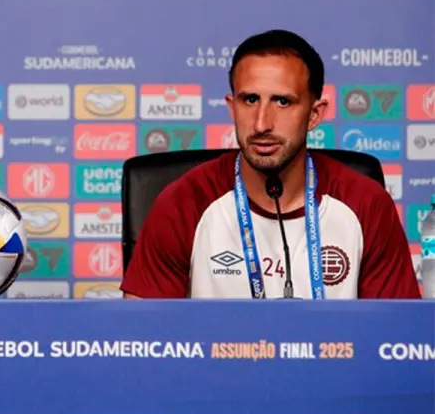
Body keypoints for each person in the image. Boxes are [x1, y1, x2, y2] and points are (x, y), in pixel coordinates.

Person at [120, 29, 419, 300]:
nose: (261, 123)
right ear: (231, 106)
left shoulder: (366, 204)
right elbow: (141, 339)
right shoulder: (183, 203)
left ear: (315, 115)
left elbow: (395, 341)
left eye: (283, 102)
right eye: (249, 100)